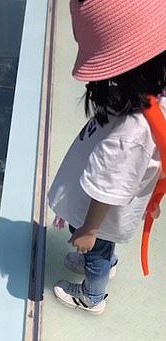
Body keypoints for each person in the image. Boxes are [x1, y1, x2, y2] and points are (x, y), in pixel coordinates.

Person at [48, 0, 166, 314]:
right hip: (108, 213)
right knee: (101, 246)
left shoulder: (131, 135)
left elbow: (106, 188)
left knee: (95, 251)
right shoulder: (154, 95)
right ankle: (104, 257)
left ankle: (92, 295)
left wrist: (88, 230)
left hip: (96, 213)